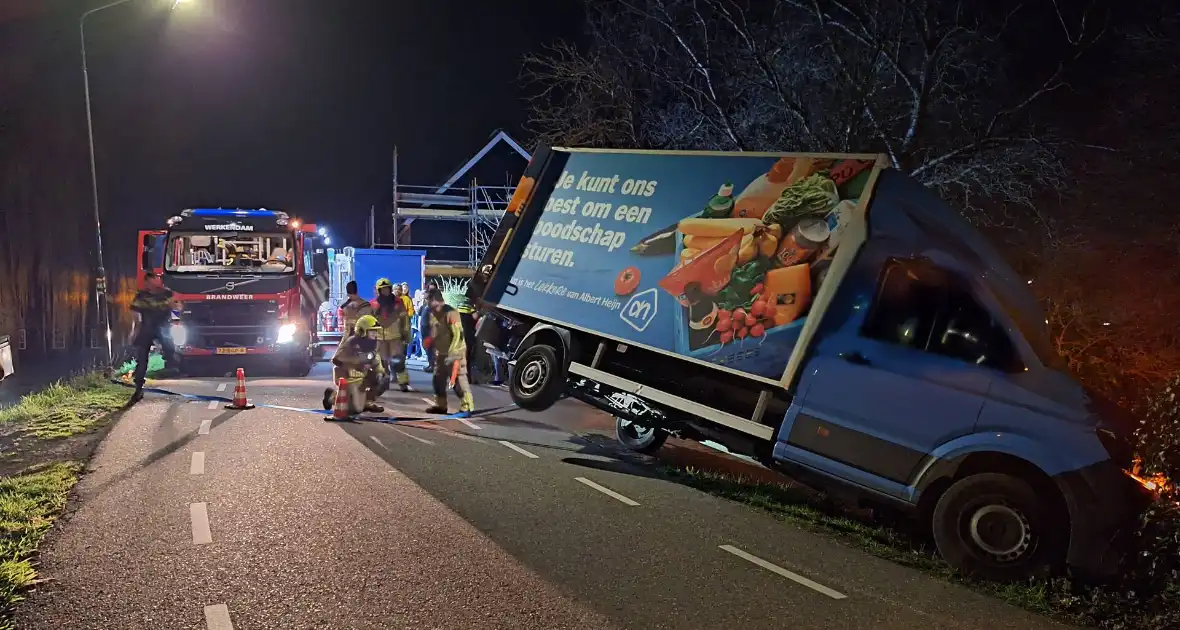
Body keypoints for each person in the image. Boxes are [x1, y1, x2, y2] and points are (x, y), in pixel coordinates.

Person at [128, 272, 178, 404]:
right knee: (142, 359)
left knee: (167, 342)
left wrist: (175, 305)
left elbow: (178, 307)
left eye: (158, 279)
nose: (157, 281)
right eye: (154, 279)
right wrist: (134, 333)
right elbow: (135, 316)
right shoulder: (141, 296)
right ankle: (138, 387)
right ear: (148, 282)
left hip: (161, 328)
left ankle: (171, 363)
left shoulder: (167, 293)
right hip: (148, 329)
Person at [322, 314, 386, 415]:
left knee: (383, 380)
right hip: (348, 377)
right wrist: (355, 363)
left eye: (375, 331)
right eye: (372, 331)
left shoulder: (372, 345)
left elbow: (376, 361)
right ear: (362, 331)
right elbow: (336, 359)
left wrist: (379, 373)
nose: (375, 334)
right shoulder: (351, 343)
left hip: (362, 377)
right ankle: (331, 397)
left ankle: (367, 402)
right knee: (354, 410)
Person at [424, 288, 474, 414]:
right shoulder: (432, 313)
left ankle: (467, 405)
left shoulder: (451, 313)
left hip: (456, 353)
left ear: (436, 300)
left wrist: (453, 353)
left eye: (428, 300)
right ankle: (440, 405)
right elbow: (433, 333)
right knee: (438, 380)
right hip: (441, 353)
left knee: (458, 380)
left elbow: (458, 334)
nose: (426, 303)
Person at [371, 277, 412, 392]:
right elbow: (370, 321)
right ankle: (384, 382)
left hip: (395, 336)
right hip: (380, 338)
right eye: (382, 289)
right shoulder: (374, 304)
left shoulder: (398, 302)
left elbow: (405, 319)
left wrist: (406, 333)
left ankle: (403, 383)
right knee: (382, 362)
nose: (385, 291)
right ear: (378, 291)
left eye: (387, 289)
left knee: (398, 361)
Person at [418, 280, 438, 371]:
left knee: (431, 346)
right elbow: (419, 312)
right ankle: (431, 364)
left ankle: (433, 365)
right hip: (424, 325)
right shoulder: (426, 299)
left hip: (432, 326)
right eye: (430, 288)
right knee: (426, 345)